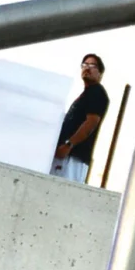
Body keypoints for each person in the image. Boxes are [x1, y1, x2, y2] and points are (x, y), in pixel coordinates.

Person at [52, 54, 110, 183]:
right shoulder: (85, 94)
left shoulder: (97, 92)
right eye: (84, 65)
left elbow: (91, 122)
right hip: (66, 157)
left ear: (100, 74)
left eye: (92, 65)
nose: (87, 68)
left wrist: (68, 145)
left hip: (73, 158)